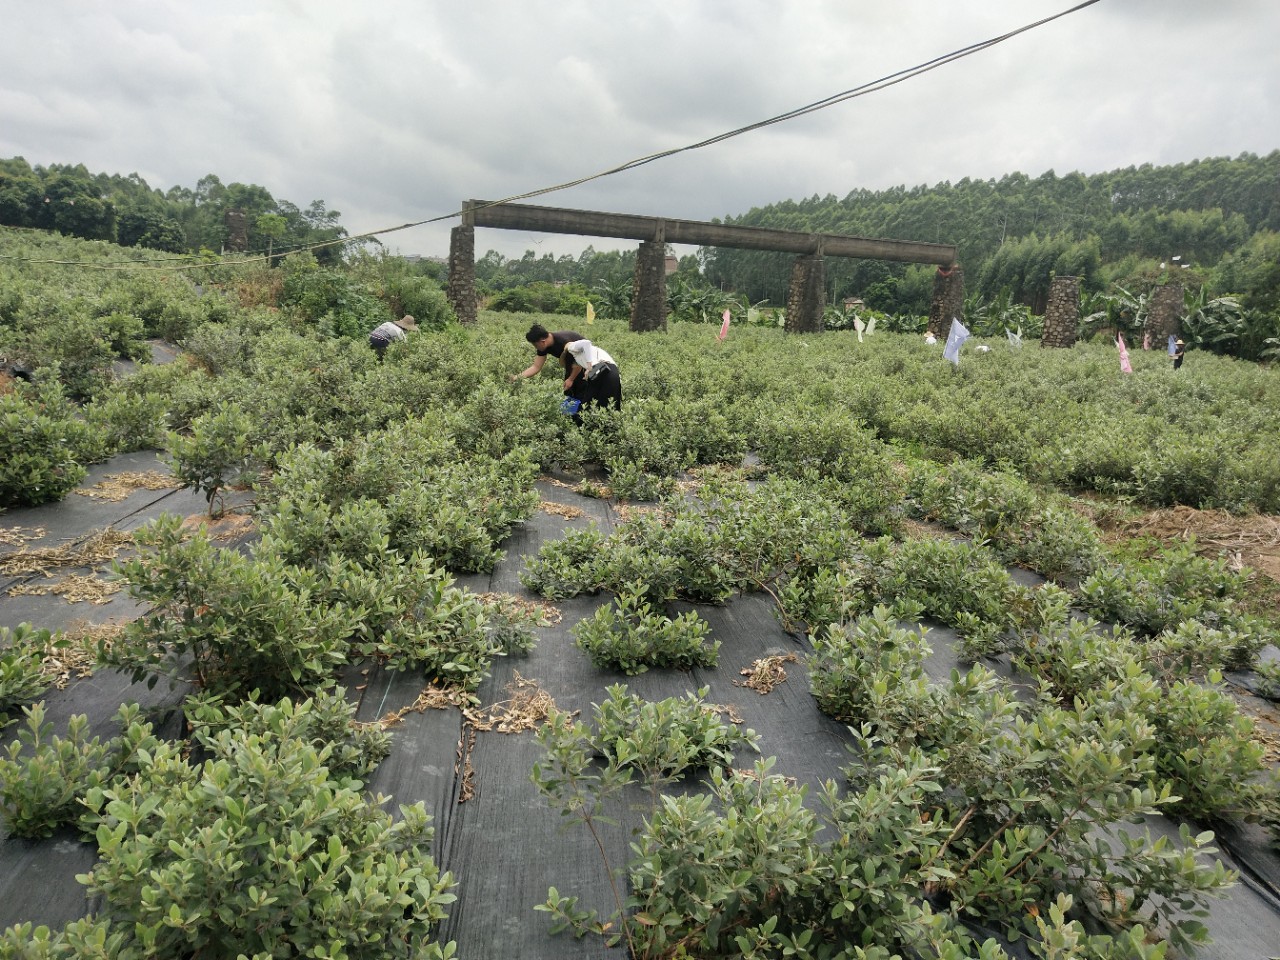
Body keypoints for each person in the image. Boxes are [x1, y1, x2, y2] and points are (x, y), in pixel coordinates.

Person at [562, 337, 622, 414]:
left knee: (588, 404)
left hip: (602, 368)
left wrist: (589, 366)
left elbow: (586, 343)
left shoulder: (571, 348)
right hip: (612, 372)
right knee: (611, 405)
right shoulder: (586, 354)